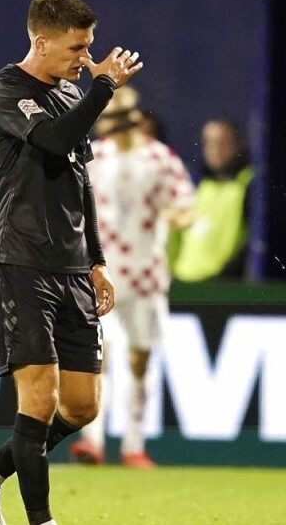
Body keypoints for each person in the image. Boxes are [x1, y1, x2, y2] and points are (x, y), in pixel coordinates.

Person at [0, 0, 142, 525]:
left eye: (89, 49)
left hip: (72, 266)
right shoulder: (6, 89)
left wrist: (97, 259)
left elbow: (80, 181)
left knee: (82, 406)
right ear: (41, 40)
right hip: (21, 260)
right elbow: (57, 141)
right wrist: (104, 85)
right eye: (76, 48)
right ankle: (41, 520)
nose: (85, 59)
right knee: (37, 399)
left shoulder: (67, 95)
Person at [67, 86, 194, 469]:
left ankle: (133, 444)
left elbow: (186, 206)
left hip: (146, 275)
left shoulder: (159, 159)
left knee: (139, 357)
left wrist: (177, 218)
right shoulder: (95, 157)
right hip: (101, 273)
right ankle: (93, 441)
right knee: (97, 356)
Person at [171, 118, 253, 281]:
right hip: (183, 282)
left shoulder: (249, 184)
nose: (216, 149)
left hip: (221, 286)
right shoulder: (197, 186)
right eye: (209, 143)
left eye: (223, 142)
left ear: (239, 145)